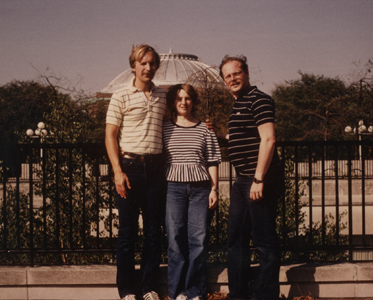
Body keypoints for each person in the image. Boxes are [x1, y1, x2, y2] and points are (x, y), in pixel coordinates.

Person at [218, 55, 284, 300]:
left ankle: (265, 296)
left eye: (236, 73)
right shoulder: (239, 103)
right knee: (235, 238)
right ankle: (238, 294)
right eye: (227, 76)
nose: (232, 79)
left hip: (258, 180)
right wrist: (222, 136)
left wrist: (259, 179)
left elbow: (268, 139)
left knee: (264, 240)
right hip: (241, 180)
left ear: (246, 73)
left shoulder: (260, 100)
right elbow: (245, 136)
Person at [105, 44, 166, 300]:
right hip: (129, 168)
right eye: (143, 63)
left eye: (152, 63)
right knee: (128, 231)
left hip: (155, 169)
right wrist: (117, 171)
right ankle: (127, 290)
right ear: (134, 65)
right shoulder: (120, 96)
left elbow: (183, 118)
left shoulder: (164, 96)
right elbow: (110, 135)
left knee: (154, 231)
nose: (148, 68)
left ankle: (149, 287)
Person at [162, 84, 221, 300]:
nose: (183, 102)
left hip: (200, 189)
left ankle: (194, 291)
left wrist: (214, 188)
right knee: (175, 240)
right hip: (173, 188)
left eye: (187, 98)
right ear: (172, 102)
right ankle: (177, 292)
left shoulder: (205, 129)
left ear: (193, 101)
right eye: (179, 98)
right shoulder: (164, 128)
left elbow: (213, 160)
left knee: (198, 239)